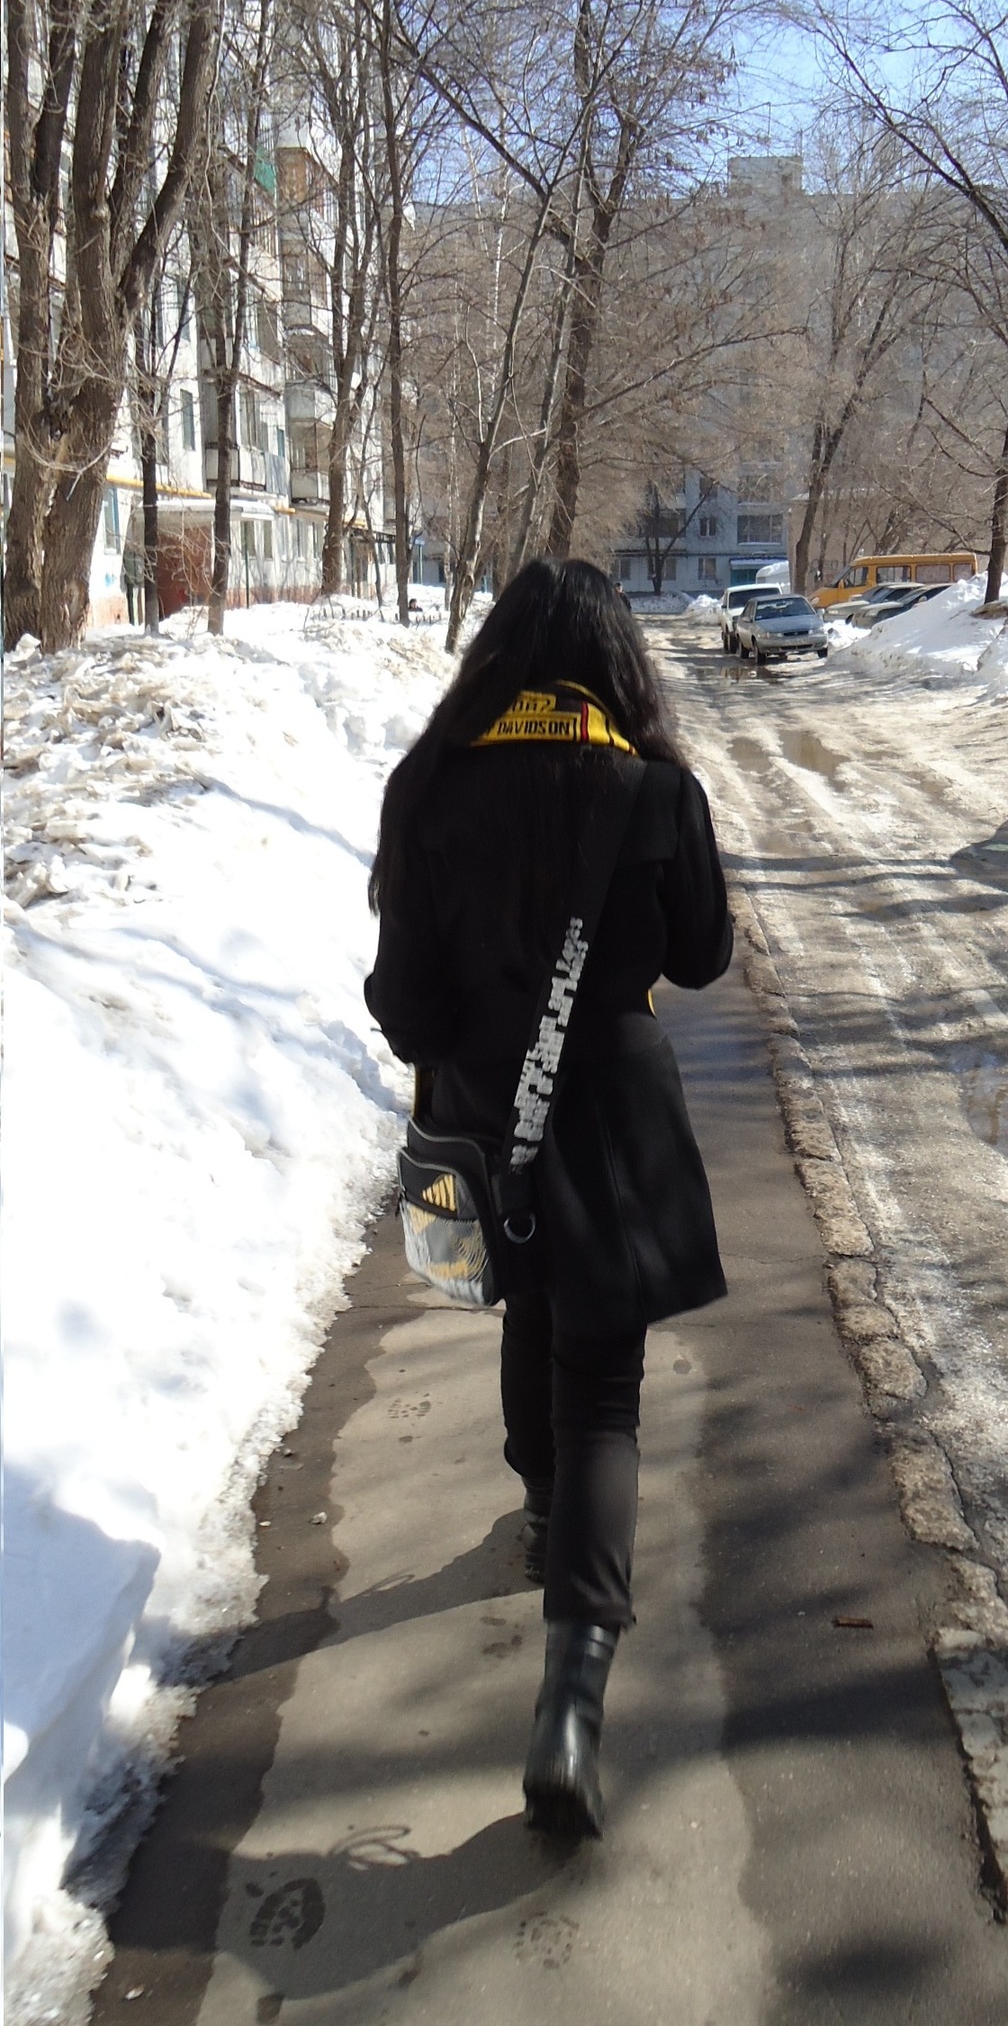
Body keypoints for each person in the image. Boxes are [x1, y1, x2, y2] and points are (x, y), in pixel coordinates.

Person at [365, 557, 732, 1839]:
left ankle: (537, 1503)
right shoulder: (655, 787)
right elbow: (704, 955)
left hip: (488, 1120)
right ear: (618, 666)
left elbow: (402, 1001)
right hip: (618, 1130)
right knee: (604, 1390)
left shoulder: (426, 786)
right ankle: (570, 1704)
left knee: (530, 1306)